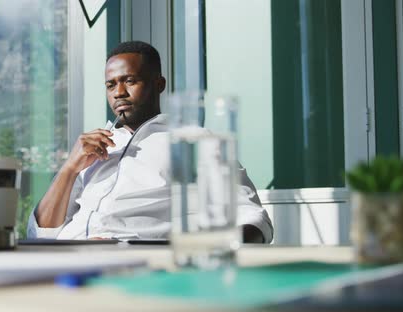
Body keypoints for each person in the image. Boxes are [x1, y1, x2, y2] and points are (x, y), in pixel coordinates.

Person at [27, 41, 273, 243]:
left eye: (130, 81)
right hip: (64, 257)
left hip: (133, 261)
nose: (118, 92)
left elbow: (252, 218)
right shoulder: (93, 148)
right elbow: (42, 233)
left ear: (159, 84)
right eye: (111, 84)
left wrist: (204, 255)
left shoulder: (192, 141)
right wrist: (70, 168)